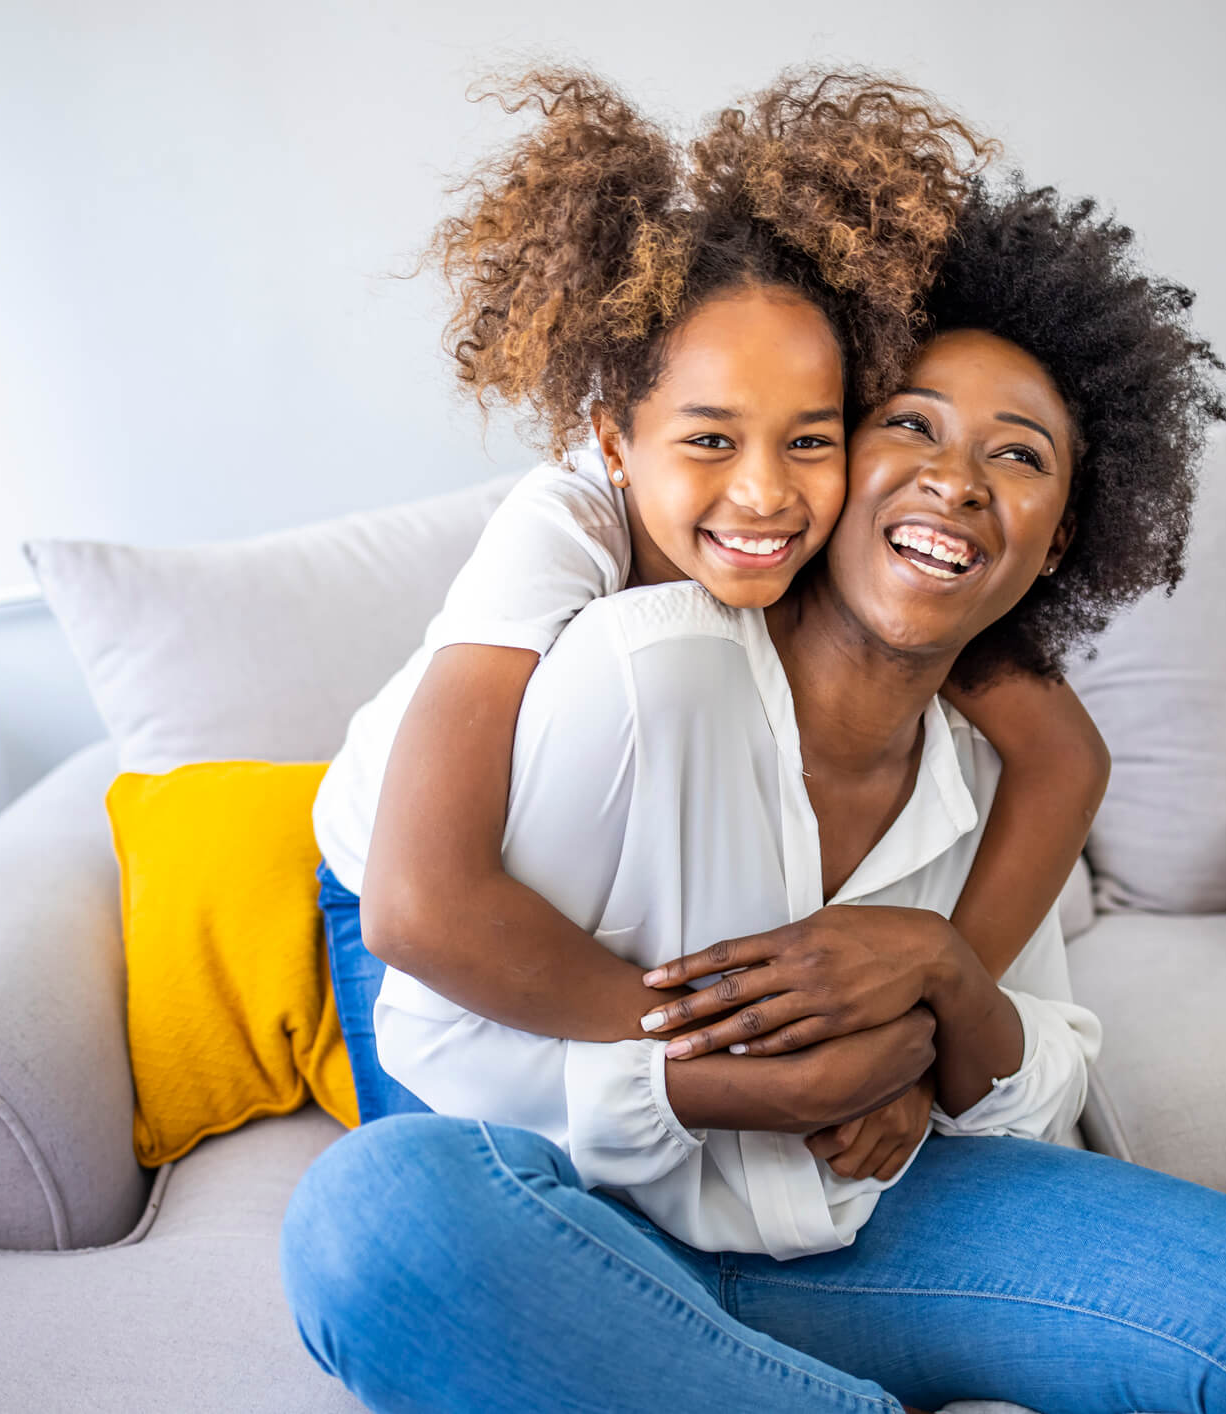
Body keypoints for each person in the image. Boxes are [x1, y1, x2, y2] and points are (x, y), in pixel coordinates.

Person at [279, 177, 1226, 1414]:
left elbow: (1032, 1071)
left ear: (1059, 538)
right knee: (379, 1219)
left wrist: (940, 979)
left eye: (1018, 455)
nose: (957, 478)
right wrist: (756, 1079)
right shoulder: (619, 644)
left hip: (828, 1220)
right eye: (911, 426)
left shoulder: (994, 754)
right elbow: (432, 973)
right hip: (573, 1171)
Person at [308, 69, 1114, 1182]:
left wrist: (913, 1038)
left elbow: (1061, 751)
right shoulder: (563, 531)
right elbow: (419, 902)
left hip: (580, 887)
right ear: (611, 441)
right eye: (707, 442)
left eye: (810, 437)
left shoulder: (858, 552)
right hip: (390, 869)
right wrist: (731, 1062)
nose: (762, 496)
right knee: (465, 1190)